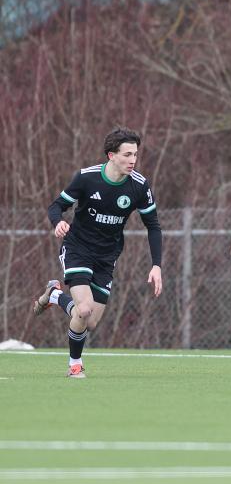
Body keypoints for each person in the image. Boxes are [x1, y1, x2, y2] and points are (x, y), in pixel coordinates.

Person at [33, 128, 163, 378]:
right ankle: (75, 365)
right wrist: (58, 221)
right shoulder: (86, 178)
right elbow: (56, 206)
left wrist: (156, 264)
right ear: (111, 155)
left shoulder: (139, 186)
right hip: (77, 249)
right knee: (83, 310)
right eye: (127, 154)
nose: (133, 160)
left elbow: (153, 226)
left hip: (107, 256)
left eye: (135, 154)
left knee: (89, 322)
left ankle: (55, 296)